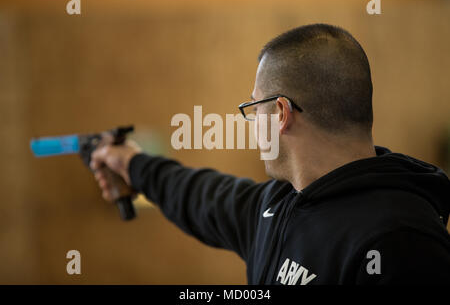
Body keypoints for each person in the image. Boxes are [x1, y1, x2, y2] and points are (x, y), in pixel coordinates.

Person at [90, 24, 450, 284]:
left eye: (254, 106)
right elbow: (200, 196)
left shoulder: (403, 240)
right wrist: (132, 163)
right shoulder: (280, 204)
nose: (252, 122)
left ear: (281, 113)